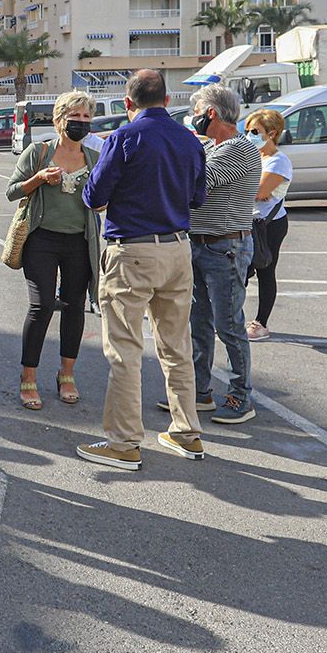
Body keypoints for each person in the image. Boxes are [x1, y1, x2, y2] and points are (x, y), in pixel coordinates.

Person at [75, 69, 207, 471]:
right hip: (177, 248)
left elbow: (95, 194)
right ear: (167, 100)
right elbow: (198, 198)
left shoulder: (124, 138)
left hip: (131, 250)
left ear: (128, 104)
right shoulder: (188, 139)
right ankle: (186, 431)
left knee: (126, 349)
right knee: (176, 344)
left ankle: (124, 441)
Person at [7, 92, 104, 409]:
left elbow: (101, 201)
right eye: (75, 117)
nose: (81, 123)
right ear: (59, 120)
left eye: (87, 118)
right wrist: (38, 179)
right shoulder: (38, 152)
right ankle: (28, 376)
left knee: (75, 306)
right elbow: (11, 191)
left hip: (80, 241)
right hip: (42, 240)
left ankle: (66, 374)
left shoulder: (93, 158)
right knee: (42, 305)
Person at [186, 85, 263, 428]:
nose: (195, 118)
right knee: (198, 323)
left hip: (225, 247)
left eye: (199, 110)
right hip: (202, 244)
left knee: (229, 325)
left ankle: (240, 396)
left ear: (212, 113)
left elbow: (200, 184)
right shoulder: (209, 146)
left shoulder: (238, 149)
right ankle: (200, 391)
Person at [243, 108, 293, 344]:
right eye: (247, 131)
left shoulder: (279, 161)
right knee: (239, 270)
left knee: (264, 270)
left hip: (268, 225)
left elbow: (259, 192)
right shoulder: (253, 157)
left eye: (255, 131)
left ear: (272, 133)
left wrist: (254, 191)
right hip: (246, 221)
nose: (249, 136)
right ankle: (229, 317)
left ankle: (261, 322)